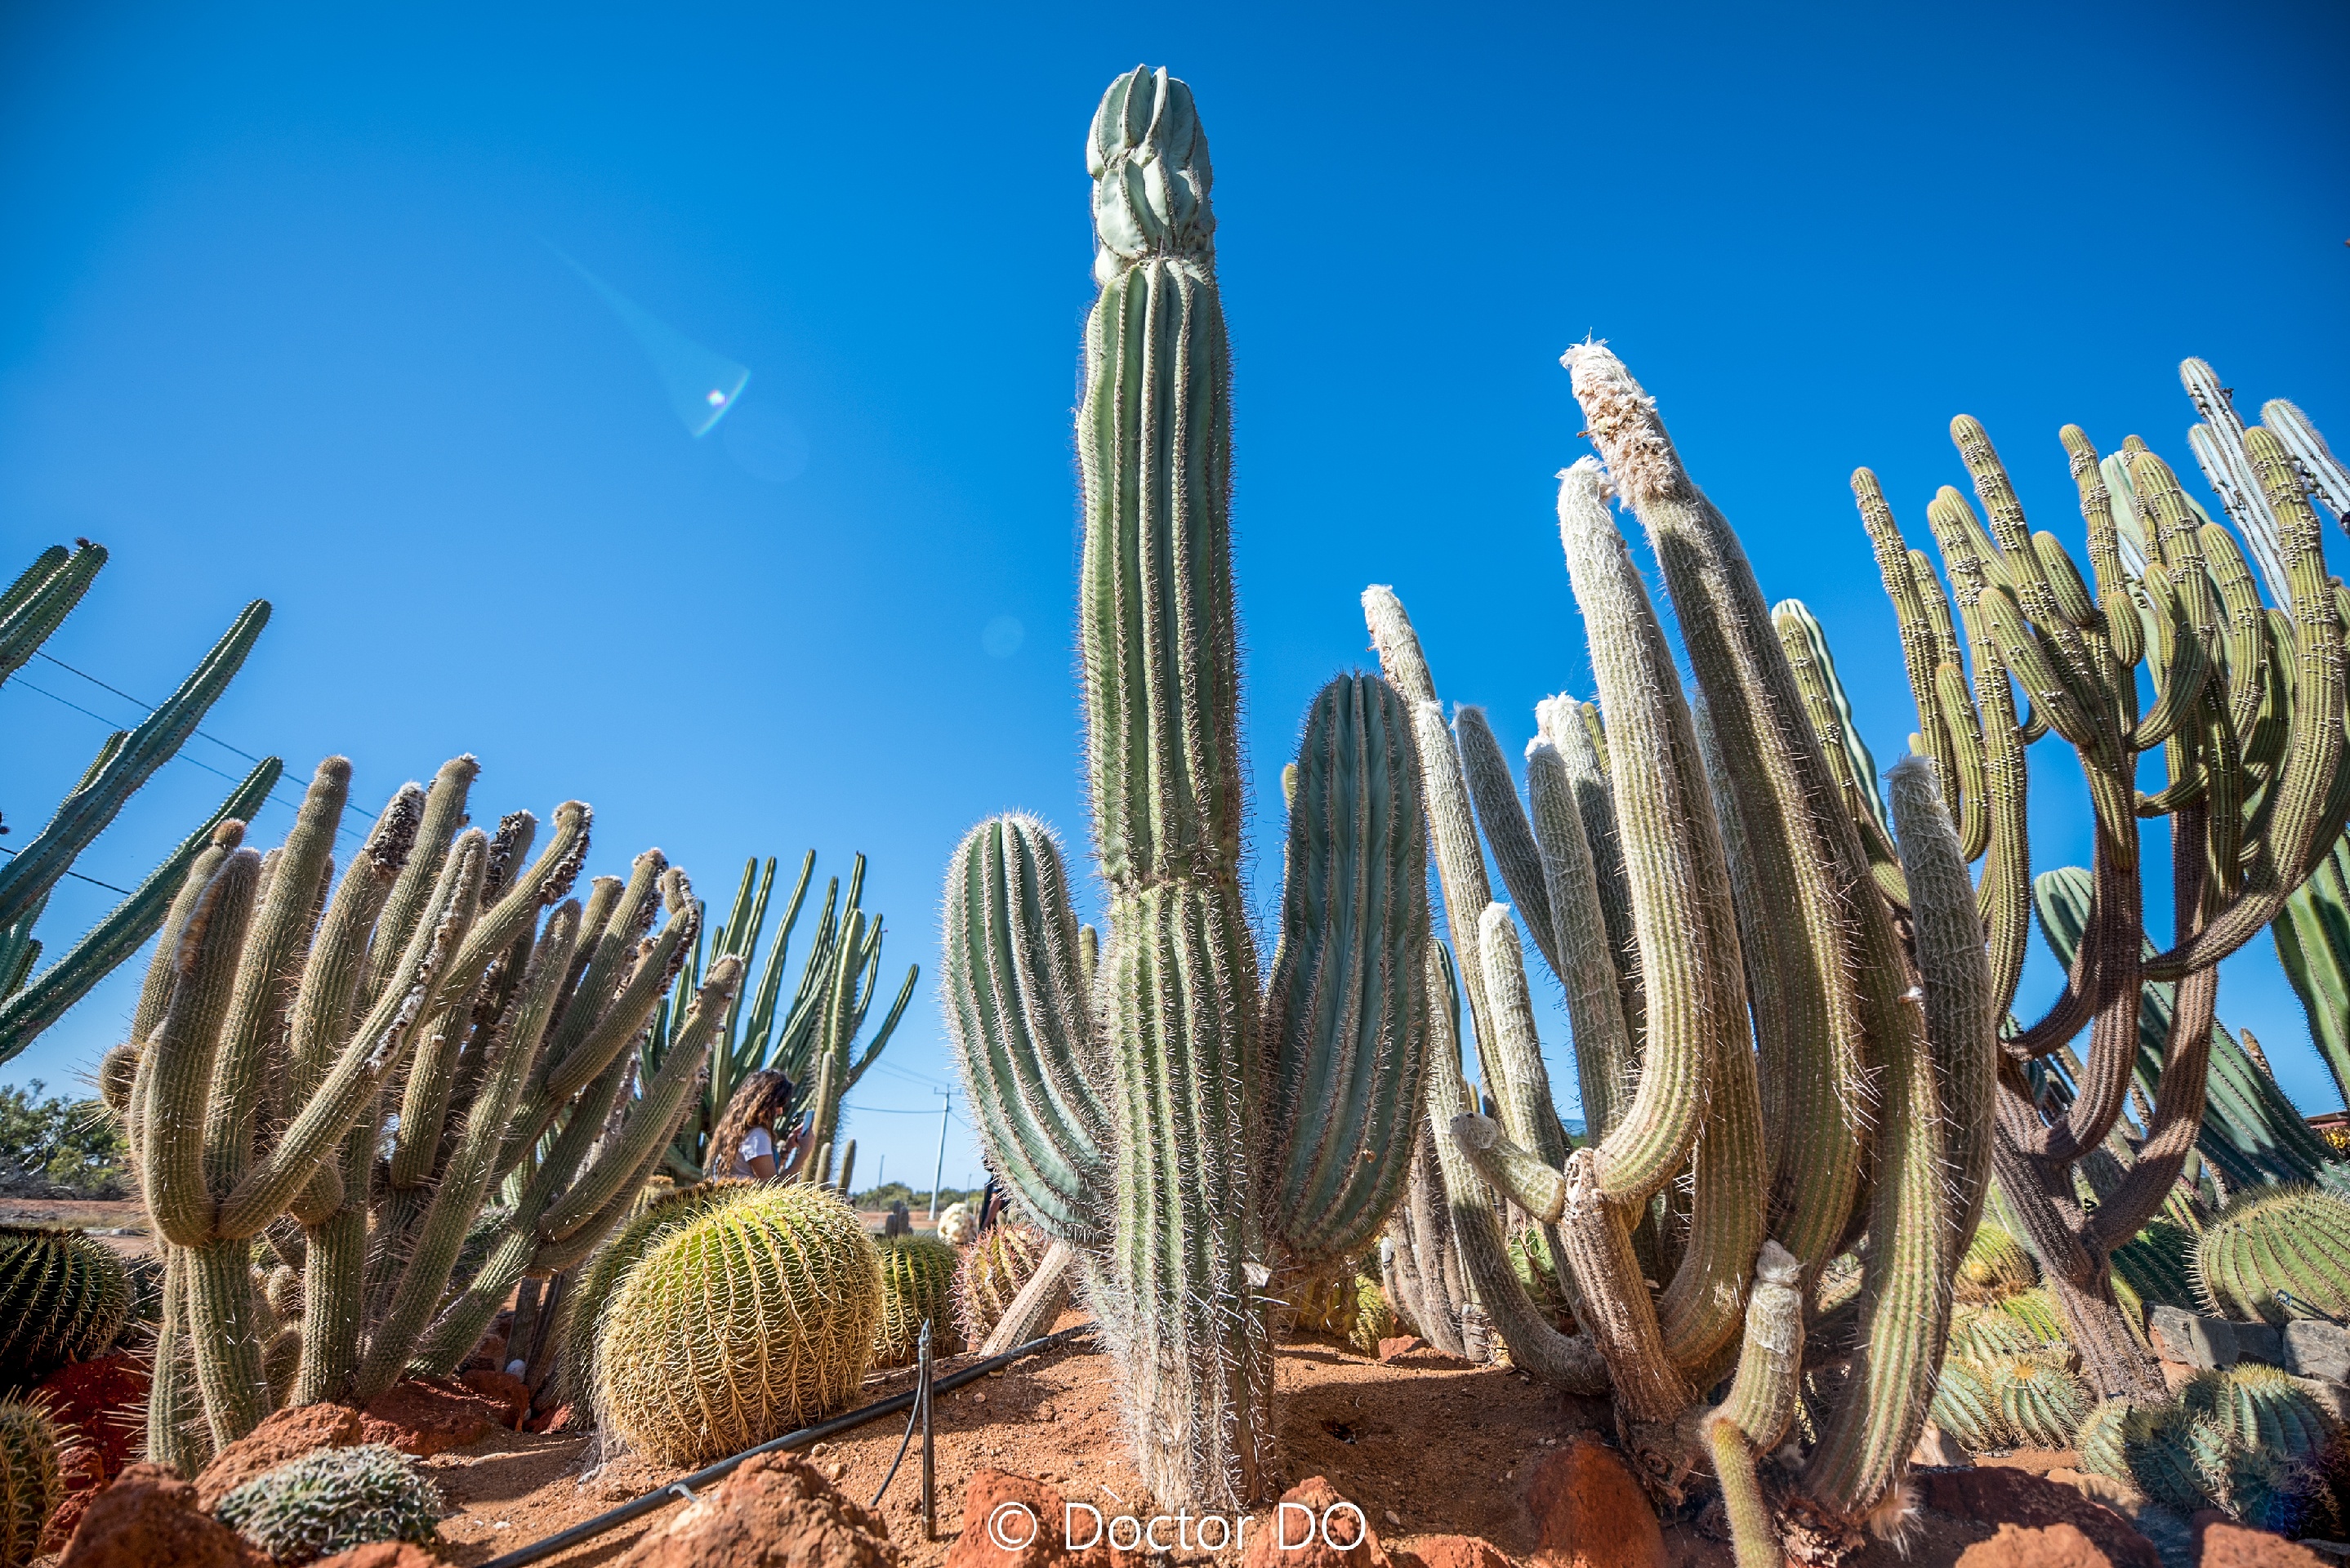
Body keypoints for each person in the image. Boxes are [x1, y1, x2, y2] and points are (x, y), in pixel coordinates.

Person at [708, 1069, 800, 1180]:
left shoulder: (742, 1132)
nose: (780, 1111)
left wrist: (788, 1148)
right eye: (778, 1104)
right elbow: (771, 1187)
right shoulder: (757, 1135)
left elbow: (761, 1170)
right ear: (765, 1103)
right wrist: (803, 1154)